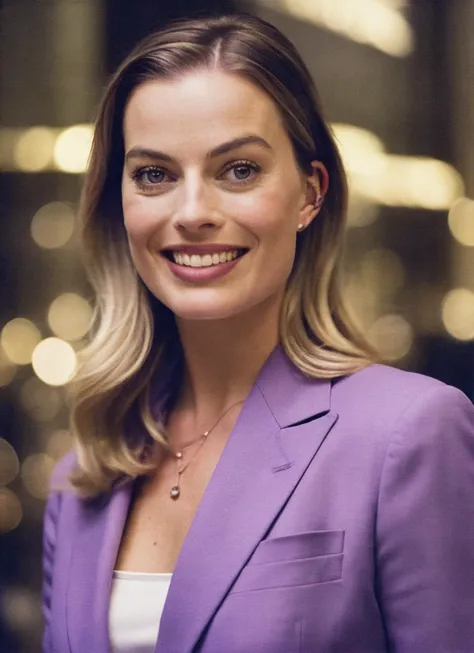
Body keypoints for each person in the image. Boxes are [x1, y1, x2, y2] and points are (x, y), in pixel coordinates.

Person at [42, 13, 474, 653]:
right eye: (154, 174)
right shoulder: (83, 479)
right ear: (119, 202)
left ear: (309, 193)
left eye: (238, 169)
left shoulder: (409, 433)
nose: (191, 213)